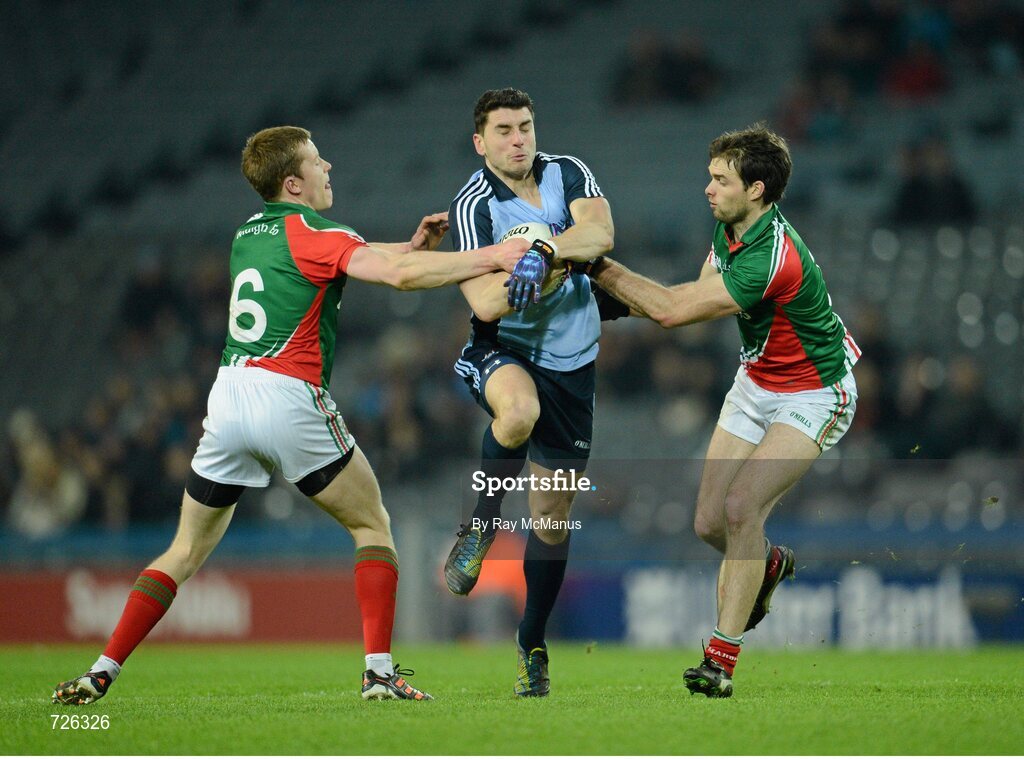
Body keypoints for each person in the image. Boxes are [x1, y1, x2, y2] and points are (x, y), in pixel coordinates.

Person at [51, 125, 528, 706]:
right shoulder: (316, 229)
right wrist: (494, 255)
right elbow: (395, 278)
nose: (330, 167)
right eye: (318, 161)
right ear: (294, 182)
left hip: (228, 397)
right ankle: (378, 675)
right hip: (288, 393)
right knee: (372, 526)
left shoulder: (248, 235)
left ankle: (102, 670)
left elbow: (344, 260)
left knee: (183, 551)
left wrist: (408, 247)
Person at [587, 123, 860, 698]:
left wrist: (598, 267)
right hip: (756, 383)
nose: (708, 188)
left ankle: (719, 662)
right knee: (709, 521)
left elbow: (674, 310)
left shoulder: (775, 258)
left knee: (741, 508)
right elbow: (695, 297)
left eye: (720, 179)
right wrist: (627, 304)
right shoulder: (730, 225)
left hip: (814, 394)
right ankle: (765, 565)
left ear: (757, 189)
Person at [442, 88, 626, 697]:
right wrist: (559, 261)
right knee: (517, 412)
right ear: (481, 142)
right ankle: (481, 526)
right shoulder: (473, 205)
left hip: (575, 362)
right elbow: (488, 300)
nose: (518, 138)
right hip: (505, 350)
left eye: (525, 126)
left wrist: (539, 256)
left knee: (551, 516)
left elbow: (600, 235)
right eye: (503, 130)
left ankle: (532, 644)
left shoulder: (568, 171)